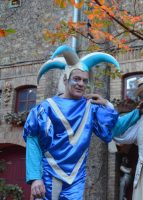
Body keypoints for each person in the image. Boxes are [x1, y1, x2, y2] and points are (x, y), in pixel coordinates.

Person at [23, 45, 120, 200]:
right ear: (65, 79)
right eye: (76, 79)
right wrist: (35, 177)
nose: (81, 84)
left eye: (84, 80)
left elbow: (114, 129)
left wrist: (107, 105)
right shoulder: (46, 108)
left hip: (76, 178)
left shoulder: (91, 108)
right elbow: (33, 140)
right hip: (49, 175)